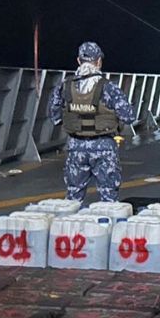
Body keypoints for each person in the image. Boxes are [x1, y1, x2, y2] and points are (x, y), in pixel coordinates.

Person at [48, 42, 137, 202]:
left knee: (73, 198)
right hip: (104, 147)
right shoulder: (108, 88)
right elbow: (129, 116)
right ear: (99, 62)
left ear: (78, 60)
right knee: (109, 198)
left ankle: (72, 225)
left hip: (76, 147)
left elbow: (54, 116)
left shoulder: (65, 86)